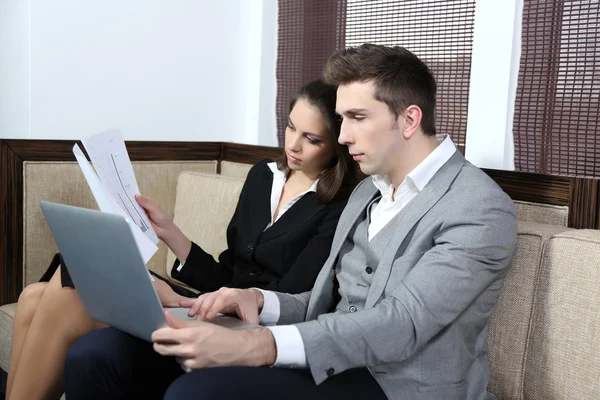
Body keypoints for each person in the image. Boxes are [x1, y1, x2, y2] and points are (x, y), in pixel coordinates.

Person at [64, 44, 517, 400]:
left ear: (409, 119)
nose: (342, 137)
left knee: (198, 392)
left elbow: (402, 324)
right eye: (341, 119)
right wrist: (255, 301)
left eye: (357, 118)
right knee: (99, 355)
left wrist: (256, 346)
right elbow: (321, 301)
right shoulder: (367, 192)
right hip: (324, 357)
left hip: (396, 386)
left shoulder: (477, 208)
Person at [6, 79, 360, 400]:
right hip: (207, 303)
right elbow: (229, 272)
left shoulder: (339, 206)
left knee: (69, 295)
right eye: (290, 127)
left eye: (311, 139)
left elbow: (292, 299)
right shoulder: (261, 176)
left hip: (248, 327)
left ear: (338, 146)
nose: (293, 145)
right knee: (38, 292)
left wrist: (183, 298)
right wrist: (169, 232)